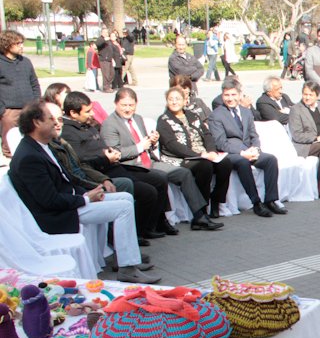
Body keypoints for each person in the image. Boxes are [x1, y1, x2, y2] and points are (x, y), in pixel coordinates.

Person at [8, 100, 159, 283]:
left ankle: (128, 259)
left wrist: (93, 190)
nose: (57, 123)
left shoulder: (43, 147)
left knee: (125, 197)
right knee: (123, 208)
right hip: (58, 214)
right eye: (50, 119)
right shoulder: (29, 157)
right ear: (36, 122)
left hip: (71, 202)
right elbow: (49, 201)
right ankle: (127, 269)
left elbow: (67, 180)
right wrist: (86, 198)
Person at [102, 88, 216, 233]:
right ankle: (158, 221)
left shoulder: (137, 119)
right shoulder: (110, 124)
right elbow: (115, 153)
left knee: (183, 173)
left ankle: (199, 216)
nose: (127, 109)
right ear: (115, 104)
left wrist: (152, 140)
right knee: (160, 178)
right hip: (131, 166)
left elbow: (146, 144)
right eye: (124, 105)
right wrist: (139, 147)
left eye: (131, 105)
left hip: (149, 161)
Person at [61, 91, 168, 242]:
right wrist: (106, 159)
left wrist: (110, 154)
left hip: (114, 166)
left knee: (159, 179)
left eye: (131, 105)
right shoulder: (69, 133)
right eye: (87, 111)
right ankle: (132, 235)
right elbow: (82, 161)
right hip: (103, 172)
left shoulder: (88, 125)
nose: (92, 114)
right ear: (73, 113)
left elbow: (100, 147)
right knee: (146, 191)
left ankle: (152, 226)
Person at [209, 77, 285, 217]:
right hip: (230, 153)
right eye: (226, 95)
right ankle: (256, 203)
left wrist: (255, 148)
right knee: (243, 162)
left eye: (233, 95)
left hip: (248, 150)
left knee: (271, 160)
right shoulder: (216, 115)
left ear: (239, 95)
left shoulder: (246, 112)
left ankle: (271, 200)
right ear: (222, 95)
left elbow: (253, 135)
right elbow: (220, 142)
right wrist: (242, 152)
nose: (230, 98)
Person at [156, 87, 231, 227]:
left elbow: (207, 134)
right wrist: (200, 155)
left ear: (185, 101)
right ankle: (201, 213)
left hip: (203, 153)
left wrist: (211, 151)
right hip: (179, 158)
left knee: (225, 164)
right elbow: (172, 145)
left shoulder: (192, 115)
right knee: (205, 166)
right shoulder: (163, 120)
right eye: (170, 99)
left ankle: (216, 200)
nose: (174, 102)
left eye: (177, 99)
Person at [0, 30, 41, 163]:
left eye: (22, 43)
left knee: (32, 136)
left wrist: (36, 102)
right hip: (9, 110)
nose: (21, 46)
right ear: (7, 45)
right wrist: (2, 110)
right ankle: (10, 159)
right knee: (9, 142)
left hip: (29, 107)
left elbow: (34, 83)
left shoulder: (26, 62)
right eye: (17, 43)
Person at [95, 28, 116, 92]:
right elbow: (98, 44)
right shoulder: (100, 39)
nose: (106, 33)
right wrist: (104, 40)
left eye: (107, 32)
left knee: (112, 73)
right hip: (104, 59)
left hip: (109, 59)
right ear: (102, 33)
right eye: (104, 32)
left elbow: (112, 48)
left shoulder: (108, 40)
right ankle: (105, 87)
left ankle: (108, 85)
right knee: (106, 74)